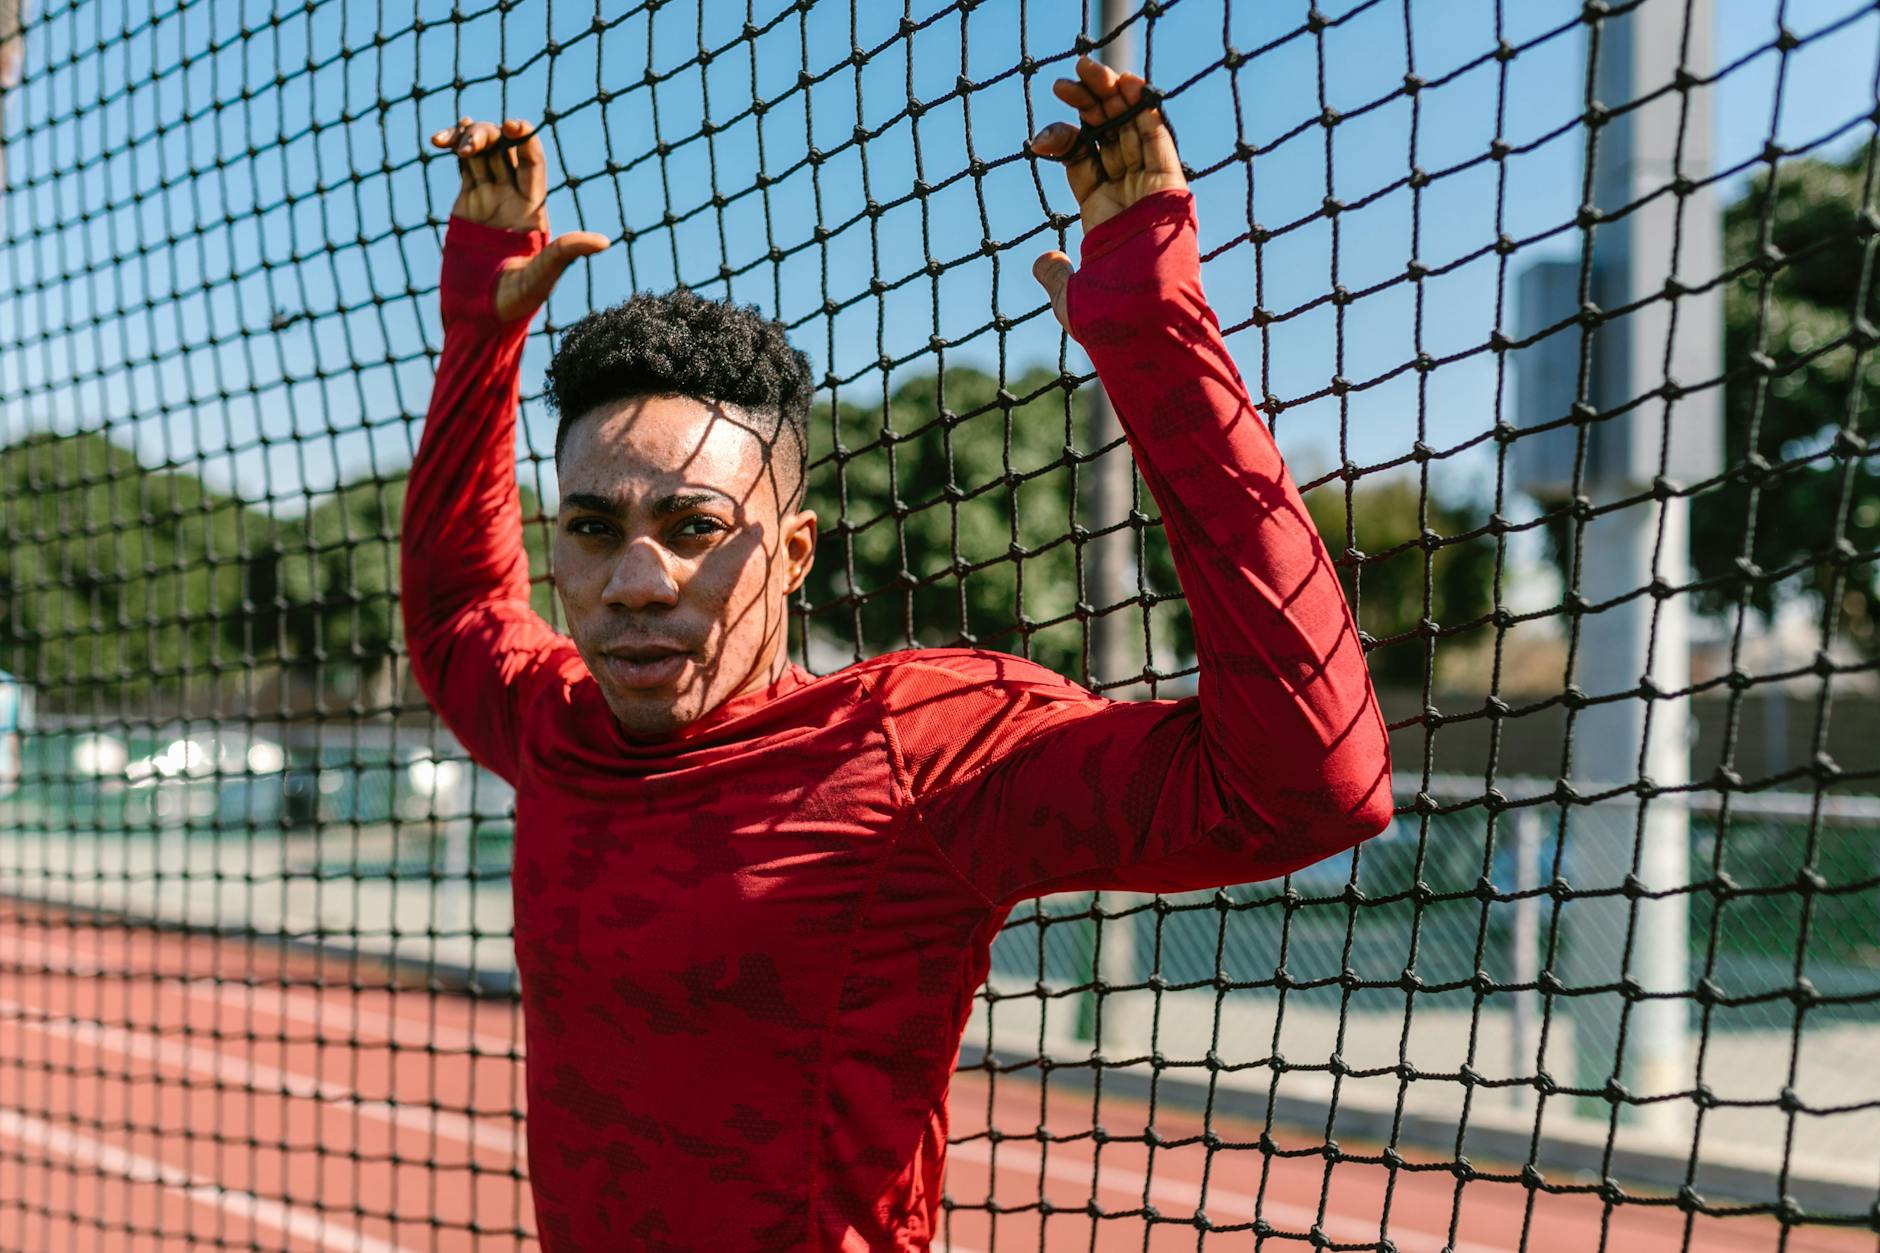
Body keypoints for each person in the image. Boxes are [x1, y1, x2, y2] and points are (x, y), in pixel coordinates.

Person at [404, 55, 1393, 1253]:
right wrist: (479, 331)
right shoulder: (552, 720)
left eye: (695, 528)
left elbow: (1307, 783)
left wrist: (1149, 325)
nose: (633, 581)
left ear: (793, 550)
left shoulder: (921, 753)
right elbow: (459, 601)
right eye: (593, 526)